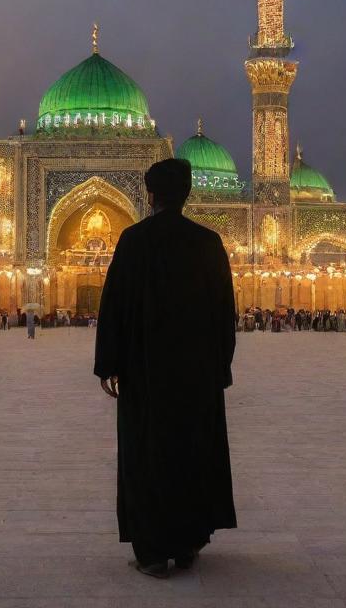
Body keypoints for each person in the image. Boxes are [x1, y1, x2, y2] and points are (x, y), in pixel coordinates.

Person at [94, 157, 236, 579]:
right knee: (193, 453)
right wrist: (219, 367)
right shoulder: (207, 242)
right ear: (187, 195)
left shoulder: (134, 241)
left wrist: (109, 365)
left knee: (148, 454)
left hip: (145, 373)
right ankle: (189, 542)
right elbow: (224, 313)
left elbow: (114, 306)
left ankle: (153, 552)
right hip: (195, 375)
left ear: (149, 195)